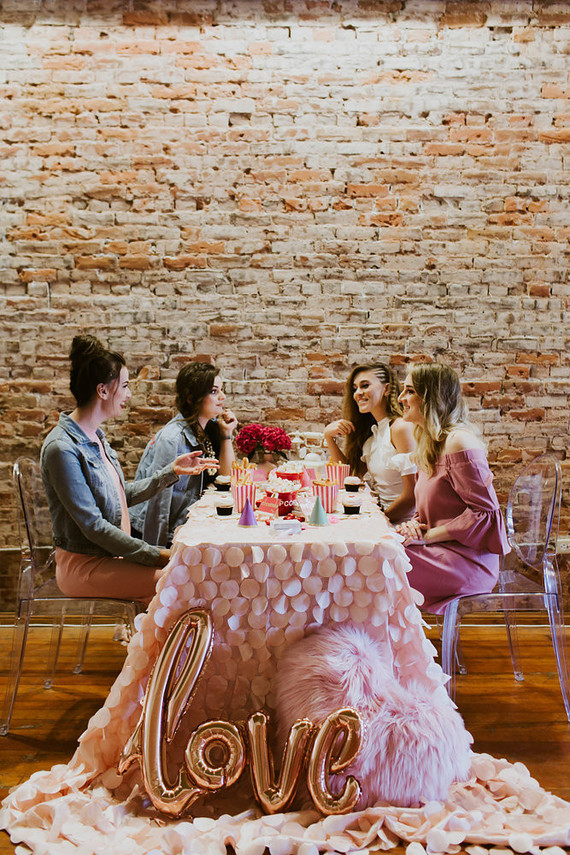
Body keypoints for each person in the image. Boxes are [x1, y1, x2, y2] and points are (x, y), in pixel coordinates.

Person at [40, 336, 217, 605]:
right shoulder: (61, 448)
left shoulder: (95, 436)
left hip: (110, 556)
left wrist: (171, 472)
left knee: (188, 574)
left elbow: (120, 497)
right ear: (102, 391)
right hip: (85, 565)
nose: (129, 394)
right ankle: (164, 646)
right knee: (183, 579)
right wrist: (158, 554)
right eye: (124, 386)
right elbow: (94, 527)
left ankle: (156, 644)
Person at [396, 363, 510, 614]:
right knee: (376, 556)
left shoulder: (458, 441)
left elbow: (486, 514)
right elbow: (436, 507)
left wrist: (428, 535)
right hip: (441, 551)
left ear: (431, 397)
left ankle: (385, 649)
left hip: (467, 564)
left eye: (409, 391)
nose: (401, 398)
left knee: (380, 562)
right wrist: (415, 525)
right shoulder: (431, 444)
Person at [130, 362, 237, 547]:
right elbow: (158, 502)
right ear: (191, 398)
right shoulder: (172, 438)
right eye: (214, 391)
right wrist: (159, 552)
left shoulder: (207, 429)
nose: (223, 396)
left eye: (221, 389)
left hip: (182, 528)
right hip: (155, 535)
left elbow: (226, 477)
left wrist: (226, 435)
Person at [323, 362, 416, 523]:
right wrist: (329, 437)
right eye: (355, 388)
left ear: (386, 389)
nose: (358, 393)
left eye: (365, 385)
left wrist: (378, 522)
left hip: (401, 524)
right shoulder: (372, 436)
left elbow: (412, 497)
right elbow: (350, 478)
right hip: (382, 516)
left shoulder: (400, 428)